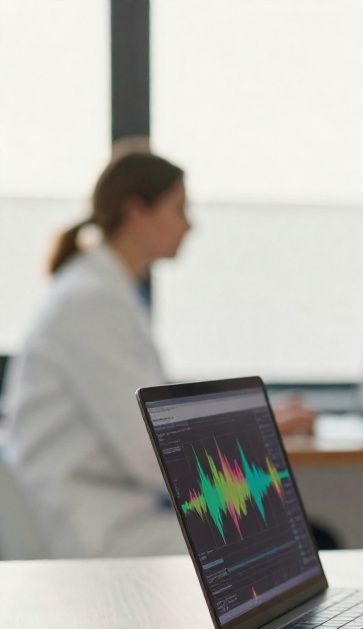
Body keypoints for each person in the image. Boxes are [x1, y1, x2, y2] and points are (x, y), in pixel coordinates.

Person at [3, 147, 317, 559]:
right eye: (179, 209)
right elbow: (152, 449)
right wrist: (257, 436)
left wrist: (258, 423)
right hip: (93, 525)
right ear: (137, 212)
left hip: (116, 505)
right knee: (287, 540)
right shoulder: (91, 303)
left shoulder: (104, 292)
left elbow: (152, 429)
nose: (190, 225)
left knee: (287, 530)